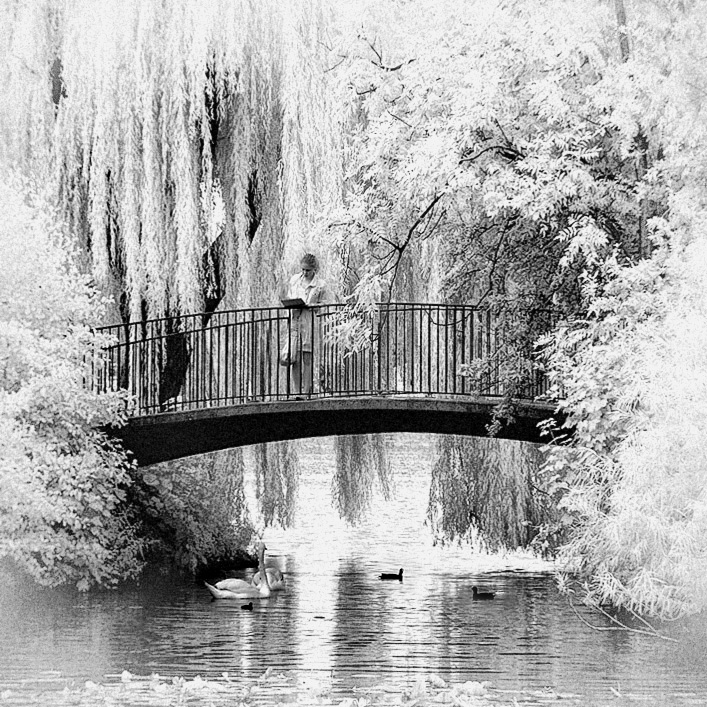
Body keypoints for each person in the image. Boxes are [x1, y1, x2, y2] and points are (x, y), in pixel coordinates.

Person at [284, 253, 330, 396]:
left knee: (307, 357)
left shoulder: (320, 285)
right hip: (295, 320)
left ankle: (306, 392)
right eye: (303, 269)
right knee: (294, 358)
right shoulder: (294, 280)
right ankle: (296, 392)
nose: (304, 273)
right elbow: (290, 296)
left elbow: (325, 304)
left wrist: (313, 305)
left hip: (309, 321)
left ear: (314, 269)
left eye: (308, 270)